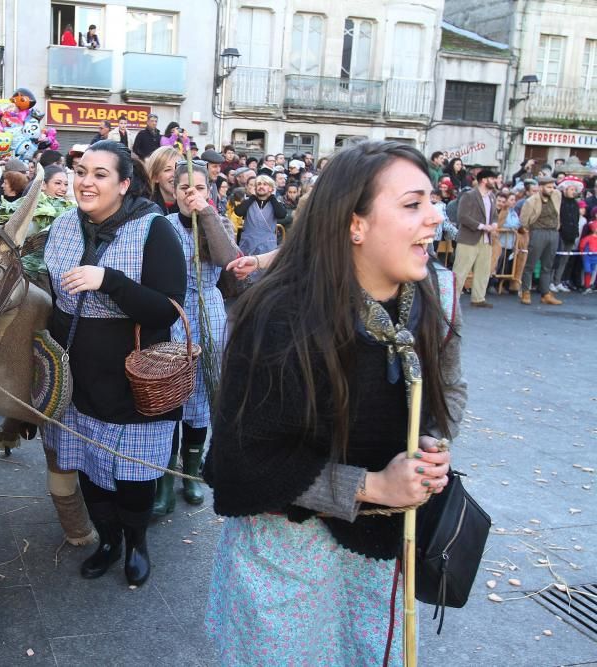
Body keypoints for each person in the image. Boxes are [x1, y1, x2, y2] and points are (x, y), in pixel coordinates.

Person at [204, 140, 465, 665]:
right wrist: (372, 486)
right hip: (288, 553)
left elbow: (447, 392)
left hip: (380, 548)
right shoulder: (276, 315)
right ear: (355, 224)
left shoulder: (431, 296)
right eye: (413, 204)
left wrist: (432, 443)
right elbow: (240, 460)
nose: (435, 218)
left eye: (433, 202)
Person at [43, 139, 186, 587]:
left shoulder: (154, 229)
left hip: (135, 379)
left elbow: (166, 309)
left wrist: (109, 280)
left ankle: (137, 542)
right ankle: (108, 541)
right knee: (89, 467)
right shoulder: (65, 226)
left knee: (133, 476)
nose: (86, 181)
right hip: (79, 375)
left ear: (124, 184)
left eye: (100, 174)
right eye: (82, 171)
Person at [152, 162, 239, 517]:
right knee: (170, 394)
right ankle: (164, 480)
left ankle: (190, 474)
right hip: (172, 311)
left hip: (209, 312)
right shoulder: (163, 225)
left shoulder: (218, 225)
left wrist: (206, 215)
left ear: (210, 190)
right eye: (184, 186)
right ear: (173, 190)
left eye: (199, 187)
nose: (191, 193)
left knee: (203, 393)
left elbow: (229, 259)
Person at [453, 168, 499, 308]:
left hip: (486, 239)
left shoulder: (492, 196)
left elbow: (494, 214)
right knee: (461, 270)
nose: (494, 181)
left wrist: (494, 223)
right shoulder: (469, 195)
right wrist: (482, 226)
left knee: (483, 270)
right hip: (469, 238)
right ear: (484, 180)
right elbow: (462, 216)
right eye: (492, 179)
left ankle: (478, 298)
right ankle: (452, 299)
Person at [518, 176, 564, 305]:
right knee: (530, 265)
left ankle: (545, 293)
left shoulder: (556, 195)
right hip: (538, 231)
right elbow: (523, 220)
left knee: (547, 265)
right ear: (540, 187)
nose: (552, 189)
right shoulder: (531, 201)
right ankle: (525, 291)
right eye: (549, 187)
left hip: (553, 232)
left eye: (553, 187)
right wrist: (527, 231)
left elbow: (561, 193)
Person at [235, 174, 286, 281]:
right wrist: (253, 197)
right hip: (248, 243)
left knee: (265, 276)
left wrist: (272, 197)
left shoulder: (276, 203)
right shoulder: (249, 201)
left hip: (267, 244)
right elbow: (238, 212)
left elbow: (281, 214)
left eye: (265, 184)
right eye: (259, 184)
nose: (261, 186)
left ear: (271, 188)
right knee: (245, 275)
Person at [553, 176, 583, 292]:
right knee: (556, 258)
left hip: (571, 235)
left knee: (564, 259)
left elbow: (575, 219)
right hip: (561, 234)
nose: (573, 192)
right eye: (571, 189)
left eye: (574, 190)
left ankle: (558, 281)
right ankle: (551, 281)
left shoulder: (575, 204)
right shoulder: (560, 202)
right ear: (564, 190)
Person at [145, 146, 181, 216]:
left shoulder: (191, 203)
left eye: (179, 168)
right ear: (155, 177)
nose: (175, 174)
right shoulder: (145, 209)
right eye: (167, 170)